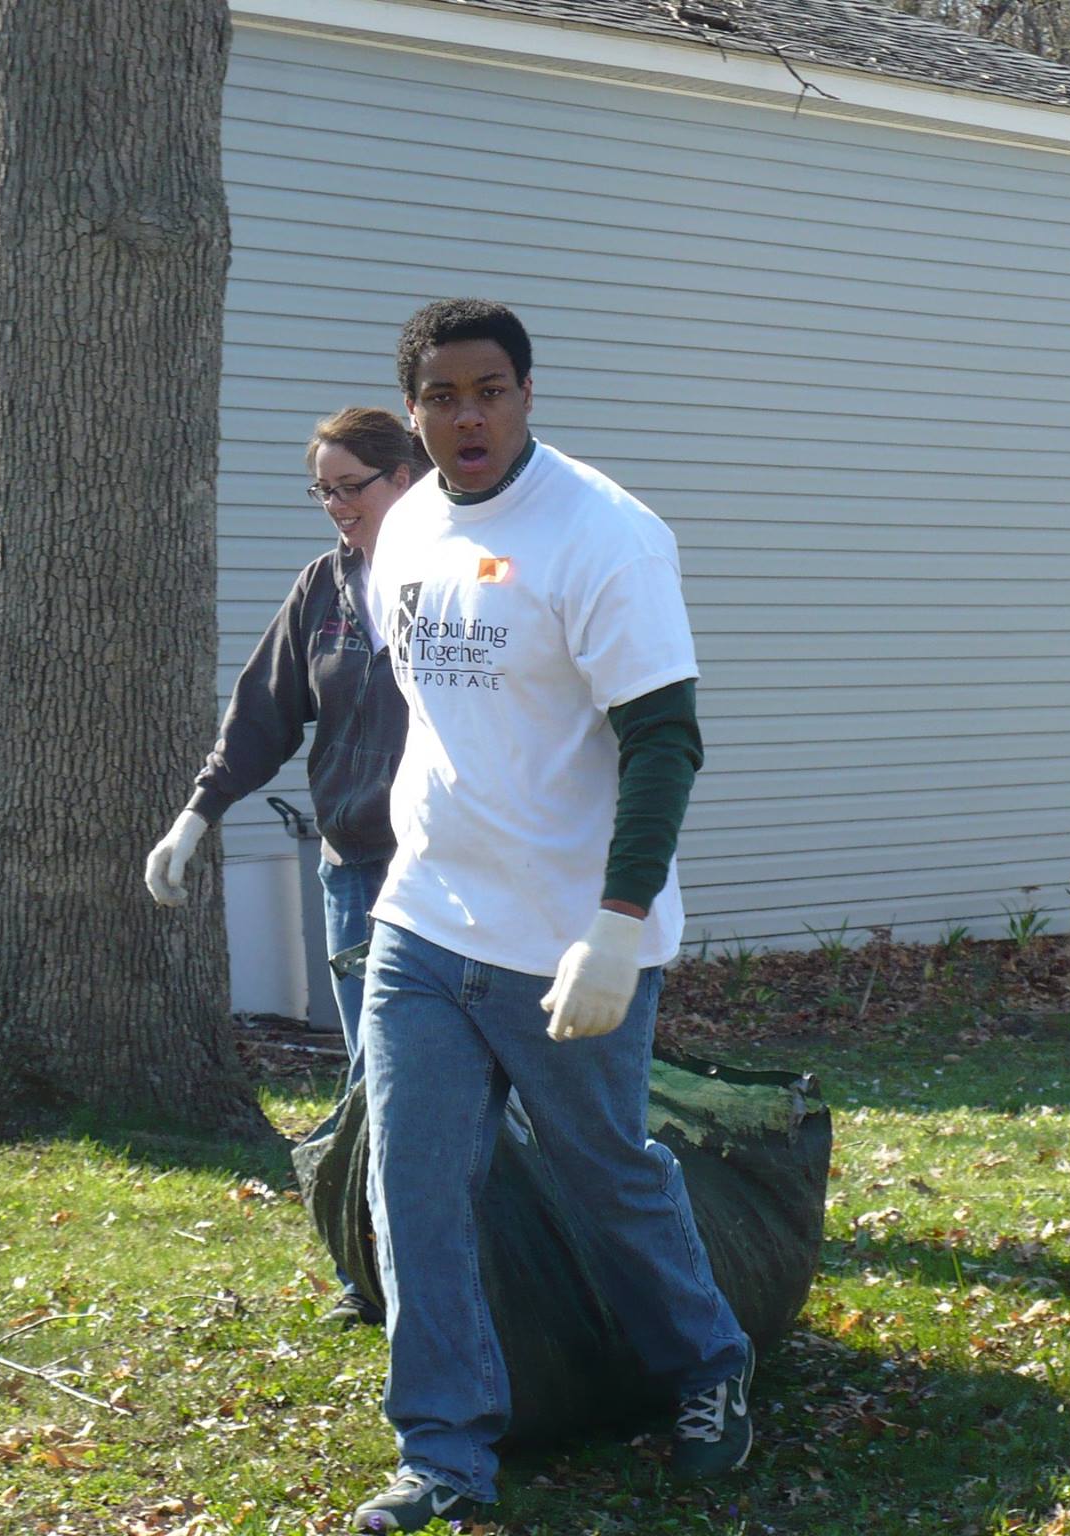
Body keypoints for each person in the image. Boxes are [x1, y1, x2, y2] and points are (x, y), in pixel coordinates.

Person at [346, 300, 752, 1534]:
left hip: (572, 940)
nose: (468, 416)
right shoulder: (407, 524)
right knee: (410, 1184)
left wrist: (617, 924)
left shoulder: (605, 537)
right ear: (412, 407)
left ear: (527, 394)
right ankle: (444, 1453)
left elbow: (666, 741)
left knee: (602, 1172)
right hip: (426, 919)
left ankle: (709, 1368)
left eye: (492, 391)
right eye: (443, 395)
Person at [144, 406, 423, 1328]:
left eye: (354, 486)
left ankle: (484, 1263)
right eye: (324, 490)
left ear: (406, 476)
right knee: (367, 1078)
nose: (337, 506)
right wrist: (197, 815)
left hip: (457, 873)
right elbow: (263, 716)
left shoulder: (464, 575)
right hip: (355, 871)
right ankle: (367, 1267)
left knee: (435, 1079)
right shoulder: (325, 589)